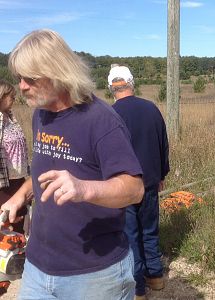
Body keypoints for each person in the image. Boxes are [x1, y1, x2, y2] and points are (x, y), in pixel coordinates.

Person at [1, 29, 144, 300]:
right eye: (19, 78)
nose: (21, 86)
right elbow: (44, 172)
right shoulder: (41, 115)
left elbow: (134, 189)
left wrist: (83, 189)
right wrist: (19, 197)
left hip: (94, 274)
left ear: (58, 72)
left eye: (30, 79)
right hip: (37, 267)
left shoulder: (101, 120)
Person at [109, 65, 170, 300]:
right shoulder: (151, 109)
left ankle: (138, 289)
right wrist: (162, 174)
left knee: (130, 235)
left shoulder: (110, 114)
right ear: (131, 83)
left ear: (112, 87)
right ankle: (155, 277)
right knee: (150, 230)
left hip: (123, 186)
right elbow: (162, 144)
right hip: (150, 182)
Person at [0, 80, 30, 233]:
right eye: (11, 96)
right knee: (7, 222)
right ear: (1, 96)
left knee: (20, 219)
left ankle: (18, 253)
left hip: (18, 177)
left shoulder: (11, 118)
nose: (13, 99)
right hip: (4, 182)